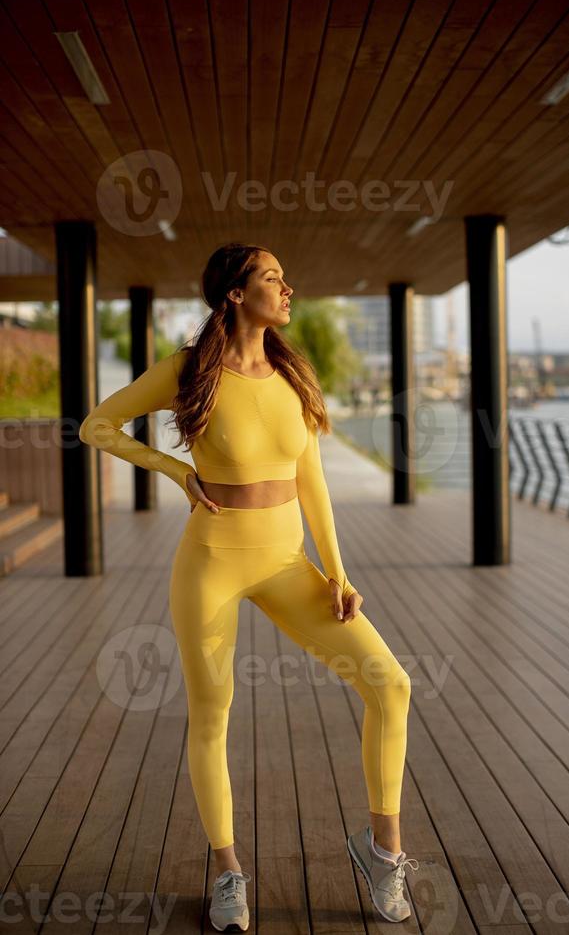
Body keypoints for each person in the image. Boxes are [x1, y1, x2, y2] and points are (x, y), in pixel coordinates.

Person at [79, 242, 418, 930]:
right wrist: (175, 473)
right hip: (211, 561)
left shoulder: (293, 374)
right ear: (235, 294)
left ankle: (384, 854)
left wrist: (338, 572)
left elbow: (311, 481)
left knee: (391, 683)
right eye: (272, 279)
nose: (287, 290)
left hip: (288, 562)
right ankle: (229, 872)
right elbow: (96, 427)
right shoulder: (188, 370)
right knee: (212, 717)